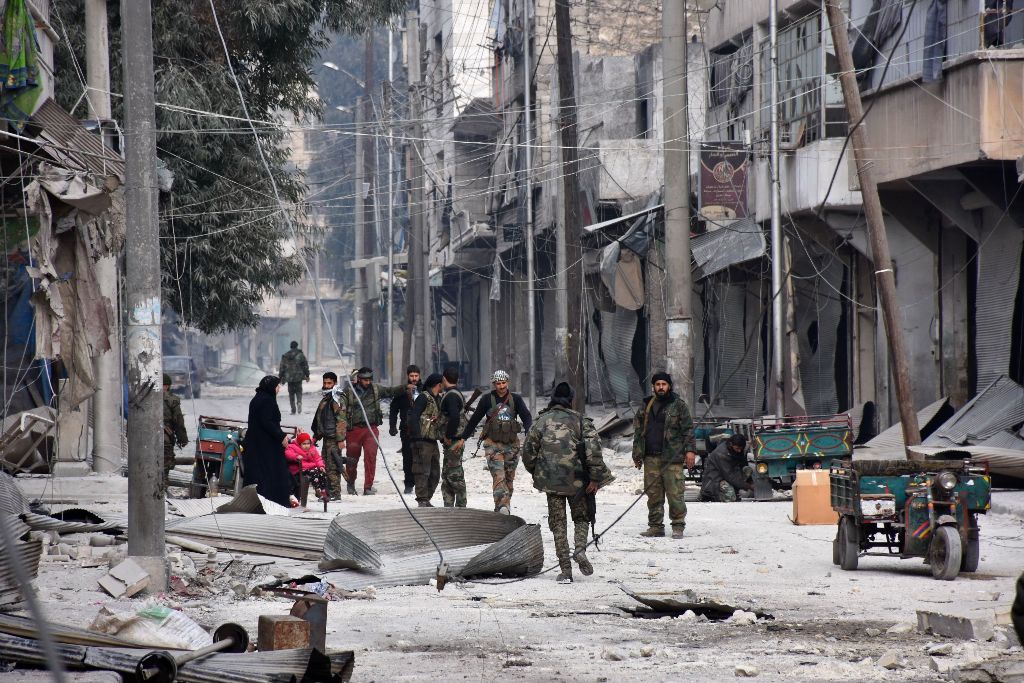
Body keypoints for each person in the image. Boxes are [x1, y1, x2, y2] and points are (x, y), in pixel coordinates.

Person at [522, 382, 614, 584]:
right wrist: (595, 478)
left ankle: (565, 571)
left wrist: (539, 473)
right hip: (578, 482)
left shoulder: (541, 421)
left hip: (551, 482)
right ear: (571, 399)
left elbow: (528, 453)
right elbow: (593, 452)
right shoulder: (581, 421)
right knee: (581, 518)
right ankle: (580, 548)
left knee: (558, 525)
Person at [632, 371, 696, 539]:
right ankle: (655, 526)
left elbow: (688, 430)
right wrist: (637, 453)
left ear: (669, 386)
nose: (661, 387)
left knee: (675, 494)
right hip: (651, 457)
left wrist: (690, 451)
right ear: (653, 387)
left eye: (664, 384)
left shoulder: (678, 405)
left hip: (672, 458)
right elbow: (638, 431)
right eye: (658, 384)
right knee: (653, 494)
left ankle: (678, 526)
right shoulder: (646, 405)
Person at [461, 369, 533, 514]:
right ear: (494, 384)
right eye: (498, 383)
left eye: (503, 383)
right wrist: (463, 438)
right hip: (492, 444)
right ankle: (502, 507)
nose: (501, 386)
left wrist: (529, 431)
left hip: (512, 445)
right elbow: (475, 419)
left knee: (509, 479)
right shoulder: (486, 399)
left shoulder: (516, 399)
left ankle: (502, 508)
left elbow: (526, 417)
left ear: (508, 382)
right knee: (498, 476)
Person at [337, 367, 407, 495]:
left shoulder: (376, 389)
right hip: (354, 430)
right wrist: (340, 437)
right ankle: (350, 483)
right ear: (359, 379)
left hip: (371, 429)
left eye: (369, 379)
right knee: (352, 459)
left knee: (371, 457)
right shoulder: (349, 391)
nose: (368, 382)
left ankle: (368, 486)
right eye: (365, 380)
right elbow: (341, 413)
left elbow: (390, 391)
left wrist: (405, 387)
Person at [242, 375, 294, 507]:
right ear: (271, 387)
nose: (279, 389)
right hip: (266, 445)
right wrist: (281, 436)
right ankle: (273, 502)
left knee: (259, 473)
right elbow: (268, 422)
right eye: (277, 386)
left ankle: (256, 502)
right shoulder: (267, 401)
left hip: (257, 443)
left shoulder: (258, 398)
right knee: (272, 472)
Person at [408, 373, 444, 507]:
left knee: (435, 473)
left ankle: (426, 498)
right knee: (422, 471)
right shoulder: (423, 397)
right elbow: (414, 417)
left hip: (432, 440)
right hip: (422, 441)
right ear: (438, 384)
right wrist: (417, 437)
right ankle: (422, 499)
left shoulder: (437, 398)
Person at [388, 365, 423, 494]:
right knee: (407, 458)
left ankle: (421, 484)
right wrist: (392, 426)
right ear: (408, 376)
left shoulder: (425, 390)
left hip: (423, 430)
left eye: (416, 376)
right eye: (411, 376)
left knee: (422, 457)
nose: (414, 378)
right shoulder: (401, 392)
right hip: (406, 430)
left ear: (419, 376)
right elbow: (393, 410)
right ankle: (409, 483)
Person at [311, 372, 346, 499]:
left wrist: (340, 439)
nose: (326, 385)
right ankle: (328, 492)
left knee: (333, 467)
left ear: (335, 383)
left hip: (334, 439)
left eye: (329, 383)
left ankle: (335, 493)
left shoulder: (336, 398)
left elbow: (341, 420)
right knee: (324, 465)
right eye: (325, 383)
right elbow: (322, 420)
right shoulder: (327, 398)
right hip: (327, 438)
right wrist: (316, 436)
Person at [438, 366, 468, 507]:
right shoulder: (455, 393)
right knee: (447, 476)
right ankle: (448, 507)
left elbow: (454, 417)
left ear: (444, 379)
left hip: (454, 441)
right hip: (453, 441)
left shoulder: (451, 396)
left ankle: (461, 507)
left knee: (454, 476)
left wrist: (448, 436)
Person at [699, 434, 753, 502]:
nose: (739, 451)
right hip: (716, 480)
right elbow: (730, 476)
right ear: (731, 444)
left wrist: (750, 481)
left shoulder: (737, 451)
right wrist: (748, 486)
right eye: (737, 448)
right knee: (731, 497)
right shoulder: (721, 454)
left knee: (747, 470)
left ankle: (736, 490)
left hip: (729, 475)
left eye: (741, 449)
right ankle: (714, 497)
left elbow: (742, 464)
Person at [284, 432, 329, 507]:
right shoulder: (293, 447)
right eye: (304, 444)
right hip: (300, 469)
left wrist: (321, 466)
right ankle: (317, 490)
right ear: (299, 443)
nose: (306, 446)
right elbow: (288, 453)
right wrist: (296, 456)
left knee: (322, 472)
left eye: (308, 443)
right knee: (314, 472)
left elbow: (318, 458)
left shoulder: (312, 449)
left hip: (311, 468)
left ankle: (323, 491)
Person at [162, 373, 188, 489]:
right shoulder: (172, 400)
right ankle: (161, 491)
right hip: (164, 438)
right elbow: (178, 421)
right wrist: (182, 439)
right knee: (164, 467)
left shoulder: (142, 397)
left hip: (144, 439)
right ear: (167, 386)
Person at [279, 341, 310, 415]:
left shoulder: (285, 355)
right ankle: (299, 402)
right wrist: (307, 375)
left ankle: (293, 409)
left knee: (291, 393)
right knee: (299, 391)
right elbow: (305, 366)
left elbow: (282, 367)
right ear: (297, 346)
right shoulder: (301, 355)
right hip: (298, 377)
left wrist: (280, 377)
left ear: (290, 346)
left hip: (289, 377)